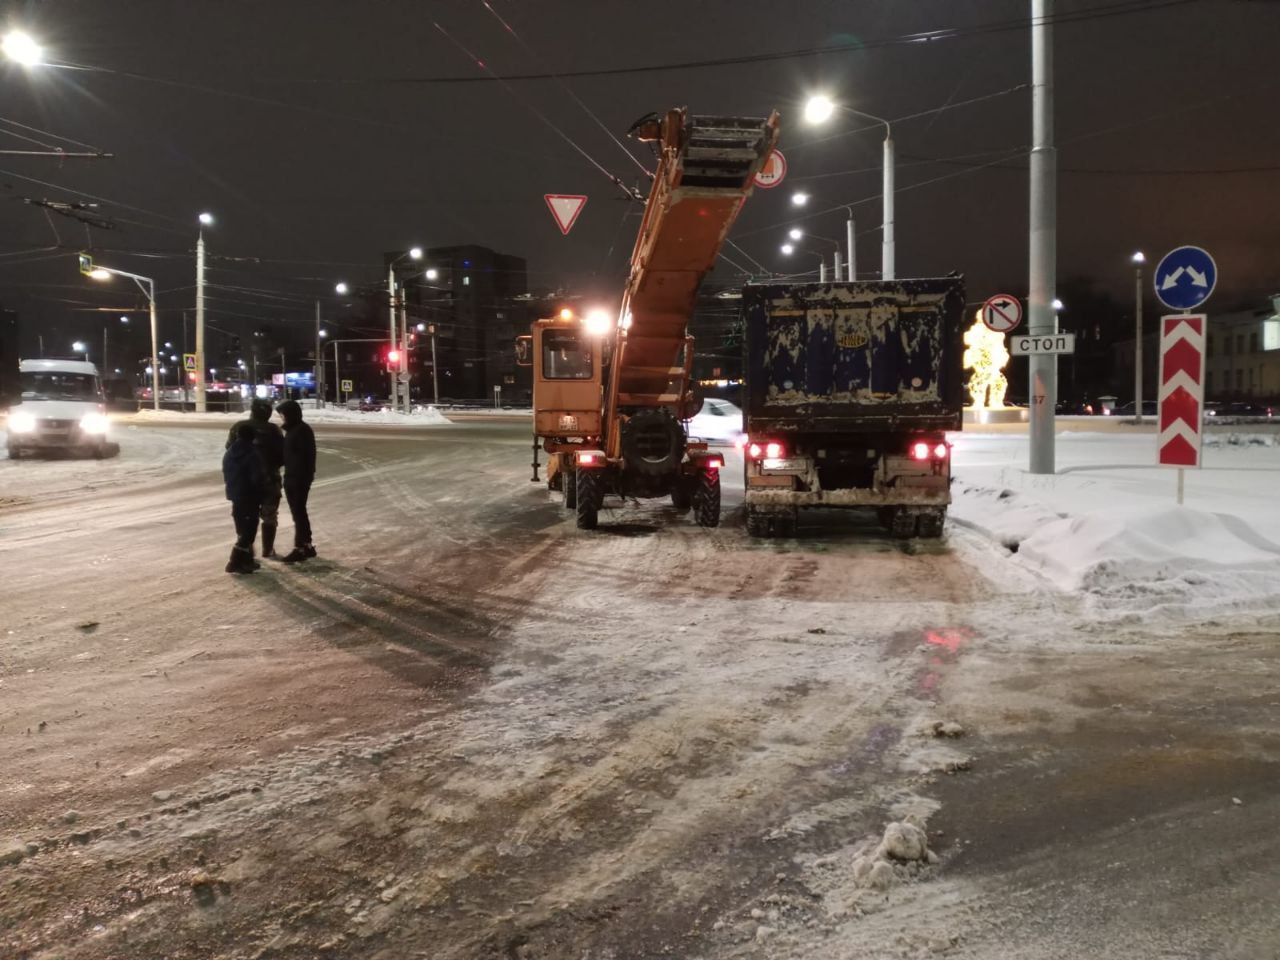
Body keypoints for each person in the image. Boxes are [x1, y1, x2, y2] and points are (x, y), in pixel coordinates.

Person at [225, 398, 285, 557]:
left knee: (243, 515)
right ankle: (267, 550)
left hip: (243, 482)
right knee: (269, 516)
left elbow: (230, 451)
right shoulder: (274, 430)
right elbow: (282, 455)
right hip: (269, 481)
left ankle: (245, 547)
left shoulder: (238, 427)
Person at [222, 422, 268, 574]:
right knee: (249, 531)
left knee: (242, 528)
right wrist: (262, 493)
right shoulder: (252, 453)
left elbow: (226, 473)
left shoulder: (229, 452)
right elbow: (257, 477)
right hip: (250, 496)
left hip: (235, 495)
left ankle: (247, 561)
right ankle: (234, 561)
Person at [276, 399, 317, 563]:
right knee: (299, 513)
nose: (282, 418)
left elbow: (302, 458)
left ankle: (301, 548)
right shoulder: (296, 429)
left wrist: (296, 478)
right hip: (295, 477)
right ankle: (306, 545)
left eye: (283, 415)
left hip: (298, 479)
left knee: (298, 513)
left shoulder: (300, 431)